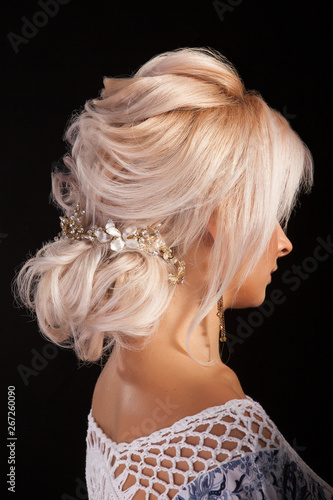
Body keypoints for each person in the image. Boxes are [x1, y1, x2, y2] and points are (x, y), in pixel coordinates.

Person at [14, 48, 333, 499]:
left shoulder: (118, 378)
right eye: (270, 214)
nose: (284, 242)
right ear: (222, 219)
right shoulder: (228, 432)